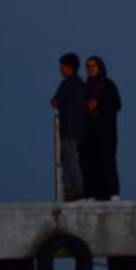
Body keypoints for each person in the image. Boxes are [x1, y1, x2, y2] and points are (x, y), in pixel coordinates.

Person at [79, 56, 122, 200]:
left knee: (107, 162)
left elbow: (116, 104)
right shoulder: (85, 88)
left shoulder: (108, 85)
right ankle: (92, 194)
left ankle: (112, 193)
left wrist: (98, 104)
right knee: (89, 163)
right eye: (88, 66)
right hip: (89, 134)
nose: (90, 69)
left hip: (106, 133)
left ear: (100, 67)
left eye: (93, 66)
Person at [49, 52, 86, 201]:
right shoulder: (81, 84)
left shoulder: (67, 84)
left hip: (69, 128)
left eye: (62, 67)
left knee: (69, 161)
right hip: (80, 128)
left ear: (68, 67)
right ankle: (74, 191)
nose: (60, 70)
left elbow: (55, 102)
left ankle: (77, 192)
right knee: (72, 160)